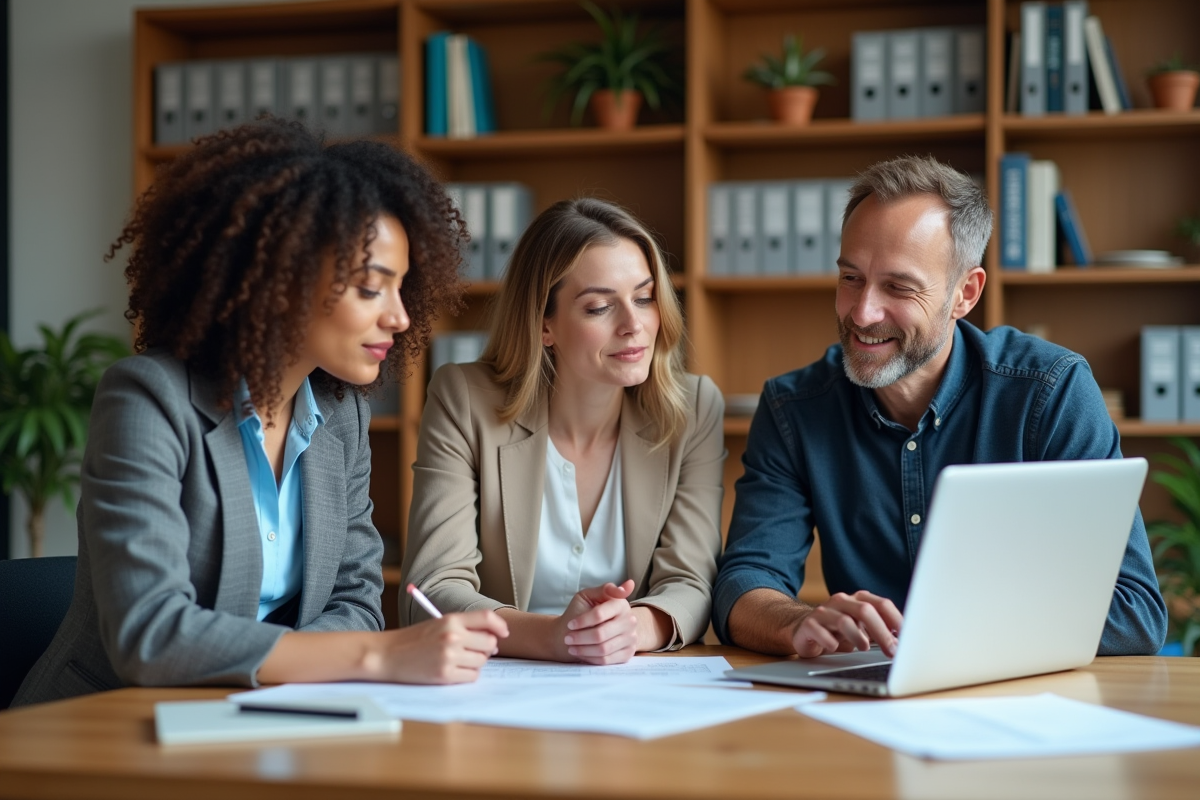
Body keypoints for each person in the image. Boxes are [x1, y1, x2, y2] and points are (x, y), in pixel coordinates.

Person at [13, 119, 508, 707]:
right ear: (282, 278)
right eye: (373, 289)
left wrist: (292, 674)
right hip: (103, 728)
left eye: (403, 289)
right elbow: (149, 633)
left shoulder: (339, 415)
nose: (400, 318)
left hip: (256, 718)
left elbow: (357, 600)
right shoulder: (148, 399)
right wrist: (377, 656)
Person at [713, 154, 1167, 659]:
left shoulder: (1049, 391)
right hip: (863, 706)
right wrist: (797, 622)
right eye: (850, 278)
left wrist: (944, 636)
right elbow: (743, 586)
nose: (862, 313)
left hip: (1017, 702)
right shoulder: (793, 408)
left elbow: (1135, 613)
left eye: (898, 287)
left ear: (964, 294)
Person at [401, 198, 725, 664]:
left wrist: (633, 626)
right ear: (544, 324)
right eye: (599, 307)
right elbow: (431, 590)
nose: (634, 325)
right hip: (496, 689)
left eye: (644, 297)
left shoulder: (693, 408)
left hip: (630, 687)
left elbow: (691, 583)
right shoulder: (463, 400)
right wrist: (554, 636)